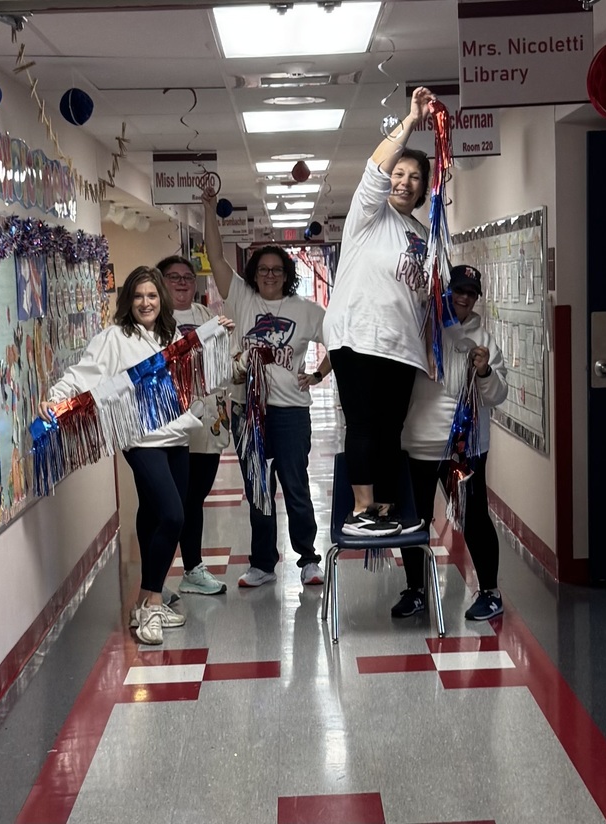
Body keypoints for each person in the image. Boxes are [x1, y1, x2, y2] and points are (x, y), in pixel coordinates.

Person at [39, 266, 209, 645]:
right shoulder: (114, 337)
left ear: (160, 299)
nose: (145, 303)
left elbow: (194, 373)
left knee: (152, 516)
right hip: (141, 439)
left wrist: (215, 337)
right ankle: (149, 602)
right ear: (128, 302)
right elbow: (84, 374)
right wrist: (55, 396)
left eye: (151, 296)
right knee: (173, 515)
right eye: (138, 296)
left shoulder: (170, 335)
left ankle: (145, 602)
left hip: (177, 438)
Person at [202, 187, 332, 589]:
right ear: (254, 273)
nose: (270, 276)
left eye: (277, 270)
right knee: (258, 488)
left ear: (287, 274)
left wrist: (319, 375)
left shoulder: (306, 310)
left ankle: (308, 559)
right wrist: (209, 208)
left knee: (295, 485)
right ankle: (262, 563)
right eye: (263, 270)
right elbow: (216, 255)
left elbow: (340, 344)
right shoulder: (240, 297)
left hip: (291, 411)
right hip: (248, 412)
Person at [322, 85, 436, 538]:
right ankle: (361, 509)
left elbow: (425, 300)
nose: (405, 181)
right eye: (400, 172)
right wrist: (408, 124)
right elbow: (374, 167)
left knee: (391, 430)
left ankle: (385, 508)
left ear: (424, 189)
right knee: (365, 423)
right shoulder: (368, 215)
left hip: (401, 344)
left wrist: (428, 348)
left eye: (415, 177)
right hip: (359, 335)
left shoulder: (422, 234)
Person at [393, 265, 509, 621]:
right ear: (445, 292)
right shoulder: (420, 328)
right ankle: (415, 590)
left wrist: (486, 371)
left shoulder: (484, 338)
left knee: (474, 518)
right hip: (418, 444)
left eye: (471, 293)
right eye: (458, 290)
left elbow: (497, 395)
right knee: (415, 520)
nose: (464, 298)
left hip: (465, 448)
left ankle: (490, 591)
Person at [156, 254, 231, 596]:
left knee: (195, 497)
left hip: (207, 423)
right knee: (169, 503)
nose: (183, 282)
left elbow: (225, 362)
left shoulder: (207, 316)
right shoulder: (152, 321)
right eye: (174, 277)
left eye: (188, 276)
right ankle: (155, 581)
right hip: (168, 423)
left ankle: (192, 569)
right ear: (160, 281)